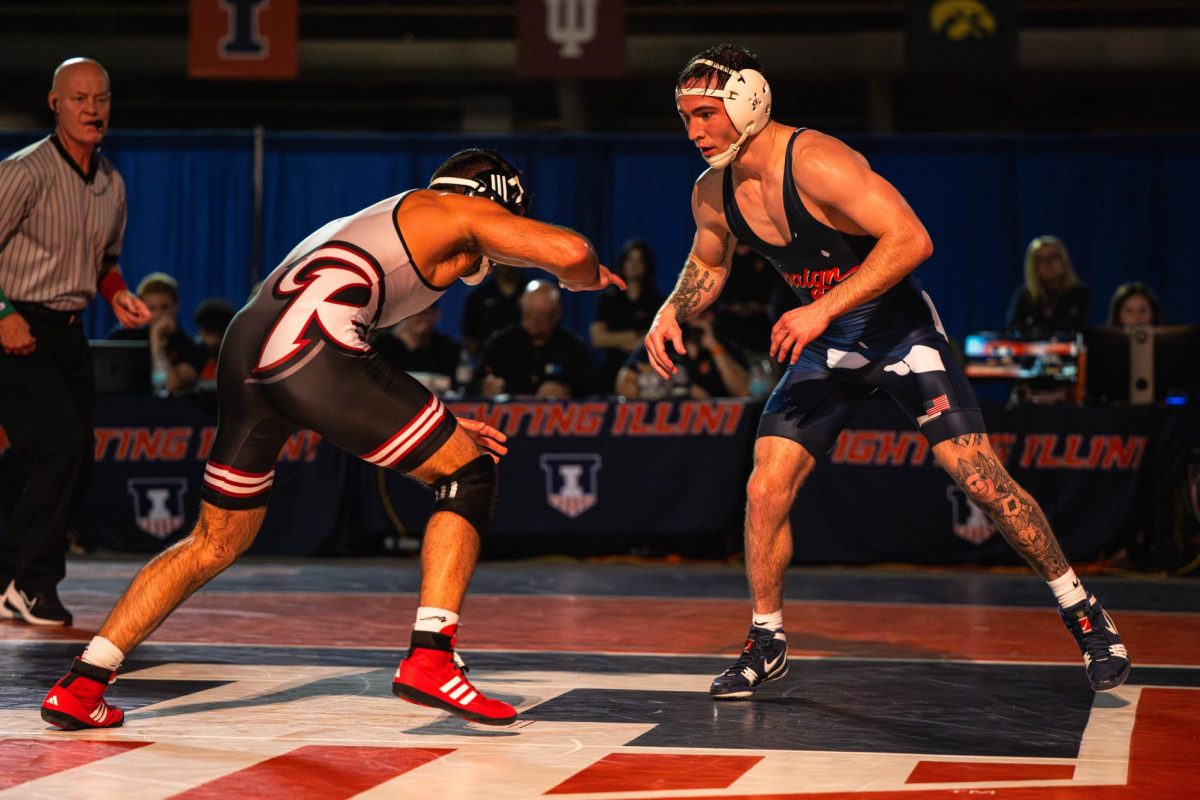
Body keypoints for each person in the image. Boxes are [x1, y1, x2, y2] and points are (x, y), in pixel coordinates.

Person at [39, 147, 624, 730]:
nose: (491, 260)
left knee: (214, 540)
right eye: (504, 227)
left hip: (249, 352)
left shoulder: (373, 221)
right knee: (467, 472)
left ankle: (83, 680)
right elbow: (570, 252)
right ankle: (430, 659)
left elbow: (342, 335)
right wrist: (581, 279)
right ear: (490, 204)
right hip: (309, 351)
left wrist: (434, 421)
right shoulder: (456, 211)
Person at [649, 44, 1130, 701]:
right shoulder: (712, 191)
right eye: (684, 118)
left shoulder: (815, 161)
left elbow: (911, 239)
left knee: (981, 480)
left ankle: (1083, 611)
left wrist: (820, 307)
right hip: (826, 343)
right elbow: (708, 263)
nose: (694, 132)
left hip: (898, 335)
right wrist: (669, 311)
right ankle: (766, 642)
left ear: (749, 102)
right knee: (765, 489)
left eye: (706, 114)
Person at [0, 58, 151, 627]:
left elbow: (105, 262)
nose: (92, 109)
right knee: (59, 446)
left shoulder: (112, 181)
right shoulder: (24, 172)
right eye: (80, 98)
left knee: (78, 460)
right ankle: (33, 585)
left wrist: (117, 295)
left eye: (101, 98)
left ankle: (10, 575)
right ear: (55, 103)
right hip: (16, 328)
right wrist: (2, 314)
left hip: (70, 331)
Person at [475, 280, 596, 399]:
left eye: (542, 315)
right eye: (529, 314)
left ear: (556, 314)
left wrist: (567, 391)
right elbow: (471, 384)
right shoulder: (499, 345)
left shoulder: (574, 348)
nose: (534, 320)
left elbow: (593, 391)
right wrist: (485, 386)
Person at [617, 308, 749, 399]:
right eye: (695, 310)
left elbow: (743, 393)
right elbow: (623, 385)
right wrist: (684, 391)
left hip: (715, 425)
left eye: (707, 312)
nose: (700, 318)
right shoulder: (662, 342)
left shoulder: (725, 347)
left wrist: (715, 347)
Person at [109, 272, 207, 395]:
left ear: (176, 306)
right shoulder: (123, 339)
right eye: (151, 308)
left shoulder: (194, 346)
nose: (158, 314)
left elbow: (171, 385)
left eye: (164, 307)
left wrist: (156, 338)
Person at [590, 239, 663, 391]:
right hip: (611, 371)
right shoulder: (607, 299)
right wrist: (630, 338)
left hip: (645, 374)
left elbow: (660, 339)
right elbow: (598, 338)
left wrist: (618, 339)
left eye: (639, 260)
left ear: (647, 265)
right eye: (630, 259)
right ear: (622, 263)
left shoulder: (658, 301)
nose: (634, 265)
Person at [371, 301, 464, 393]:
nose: (420, 319)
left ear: (436, 315)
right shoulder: (382, 344)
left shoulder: (447, 347)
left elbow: (455, 384)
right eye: (415, 313)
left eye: (425, 313)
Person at [1006, 236, 1090, 335]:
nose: (1048, 264)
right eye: (1041, 260)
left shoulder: (1080, 293)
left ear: (1064, 260)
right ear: (1033, 266)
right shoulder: (1024, 296)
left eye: (1053, 257)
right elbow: (1013, 331)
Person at [461, 263, 523, 355]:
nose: (505, 263)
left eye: (509, 258)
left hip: (524, 358)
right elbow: (469, 335)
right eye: (501, 258)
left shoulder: (531, 293)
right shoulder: (478, 296)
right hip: (487, 359)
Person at [193, 296, 236, 385]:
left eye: (220, 334)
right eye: (208, 333)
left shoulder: (236, 358)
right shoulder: (194, 351)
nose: (213, 340)